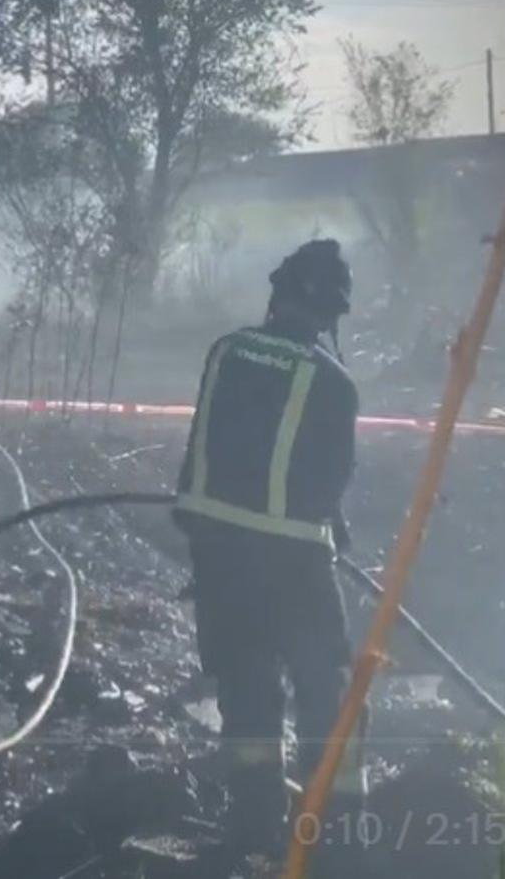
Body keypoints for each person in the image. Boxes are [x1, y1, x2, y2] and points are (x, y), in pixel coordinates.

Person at [170, 239, 366, 869]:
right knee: (325, 690)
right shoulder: (334, 382)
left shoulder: (225, 350)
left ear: (277, 295)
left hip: (220, 553)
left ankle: (255, 831)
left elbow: (212, 447)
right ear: (330, 315)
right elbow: (328, 485)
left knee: (248, 690)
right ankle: (332, 835)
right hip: (297, 562)